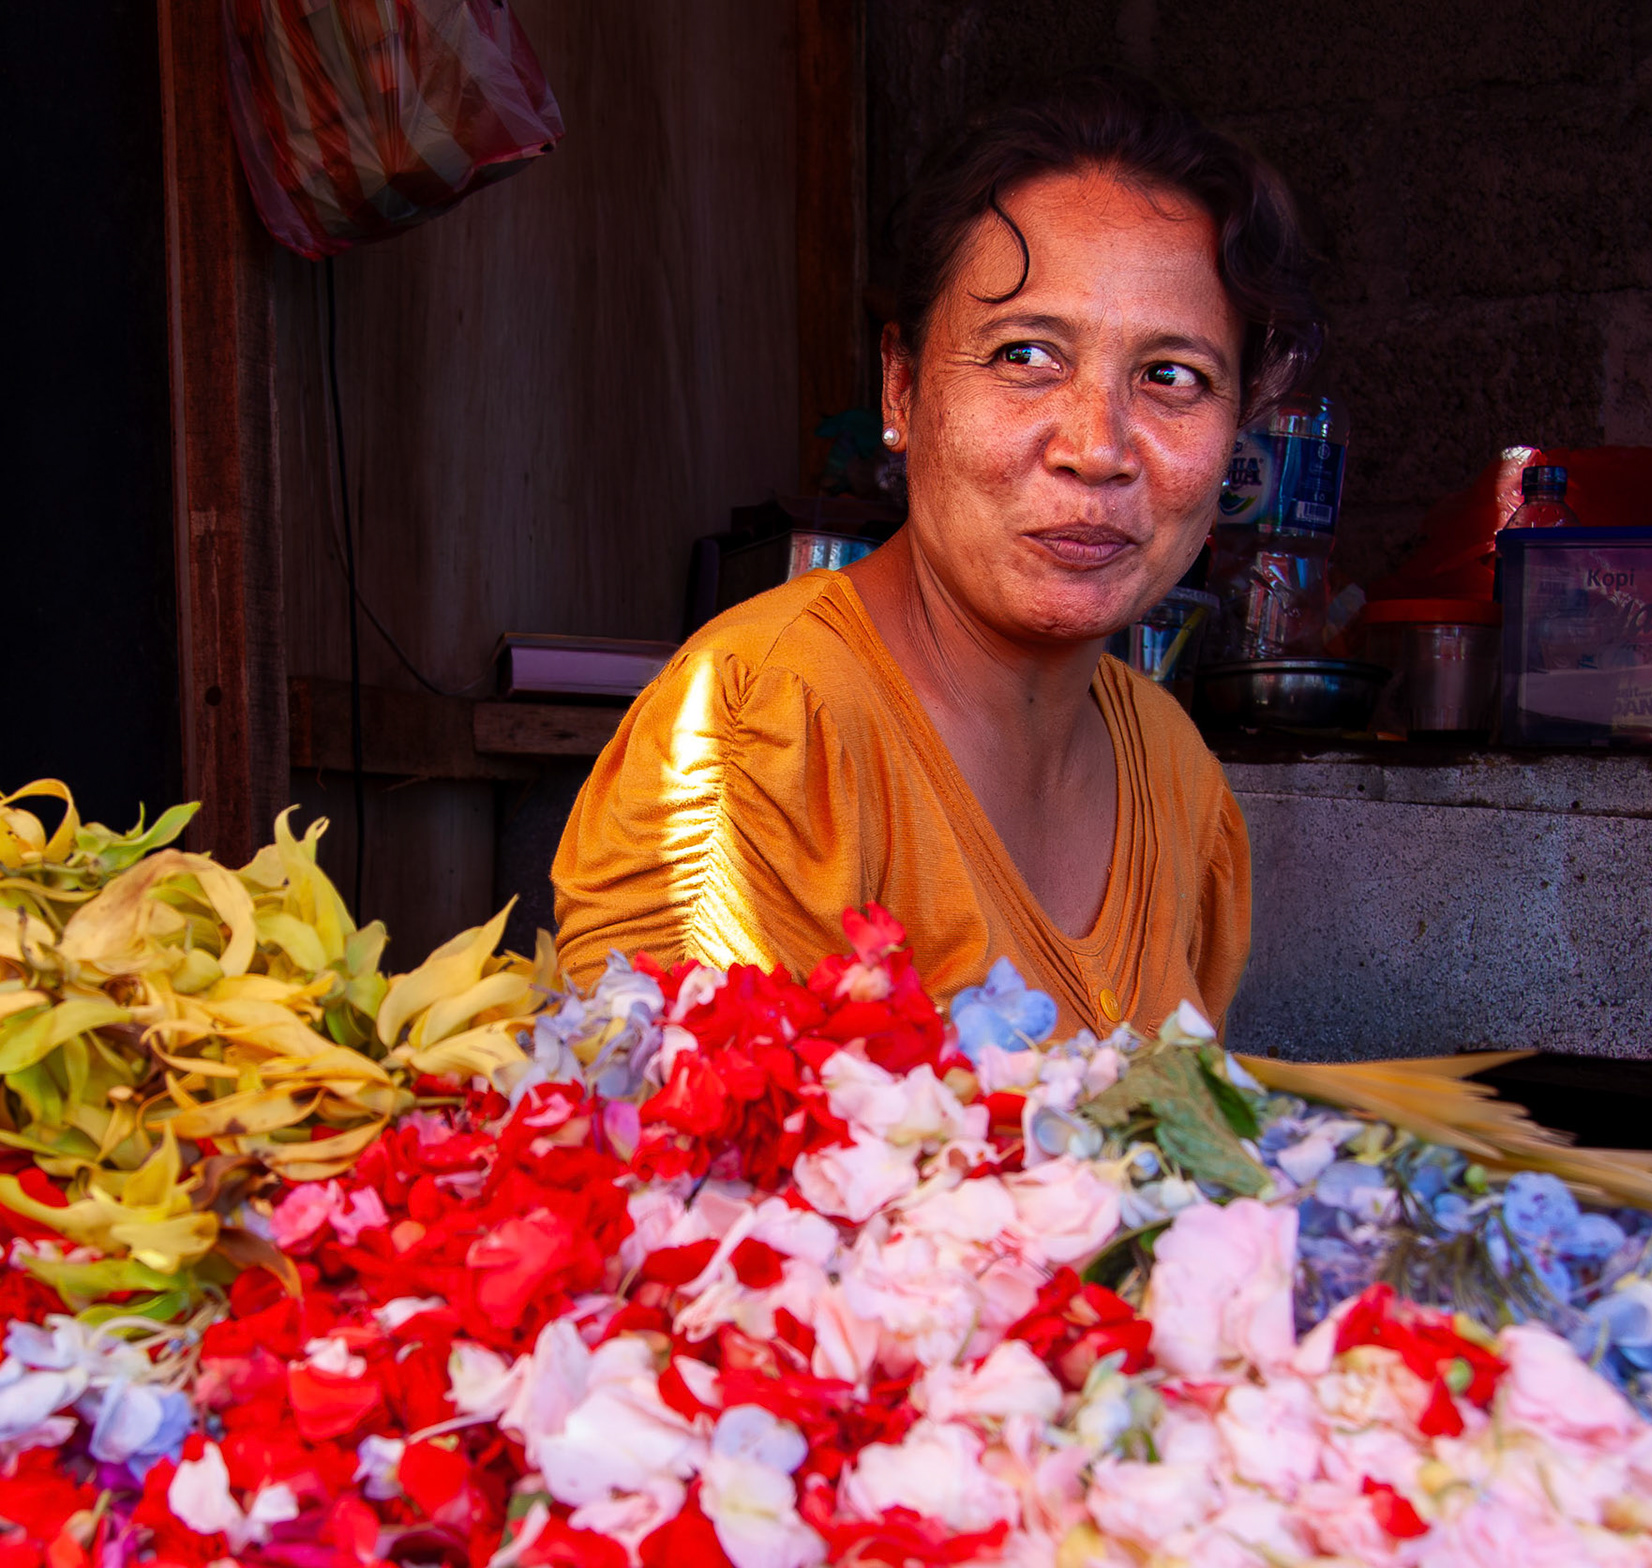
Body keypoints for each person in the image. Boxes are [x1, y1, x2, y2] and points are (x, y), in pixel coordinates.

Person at [552, 71, 1323, 1037]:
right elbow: (692, 1158)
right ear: (902, 390)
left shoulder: (1177, 782)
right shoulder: (766, 735)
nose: (1098, 447)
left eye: (1172, 376)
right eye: (1024, 355)